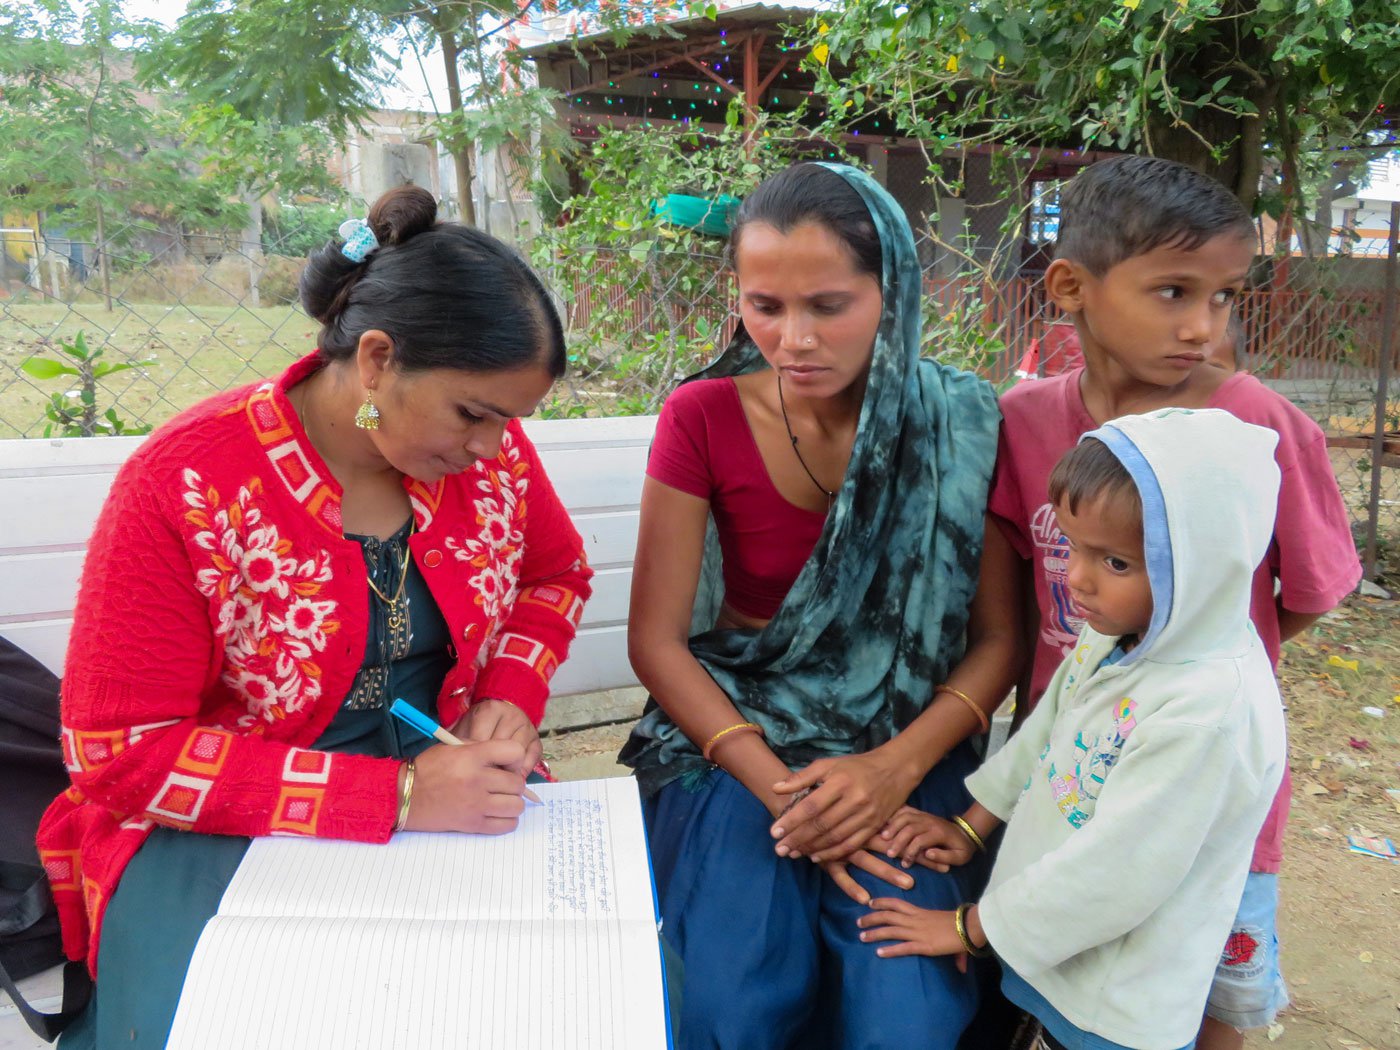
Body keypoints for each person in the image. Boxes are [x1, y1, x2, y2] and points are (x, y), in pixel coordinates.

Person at [37, 186, 594, 1048]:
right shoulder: (188, 482)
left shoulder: (486, 457)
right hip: (226, 821)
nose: (493, 448)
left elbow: (554, 577)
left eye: (510, 422)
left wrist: (509, 695)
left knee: (569, 998)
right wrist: (397, 795)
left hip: (453, 779)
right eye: (475, 414)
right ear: (376, 360)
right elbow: (120, 752)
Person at [618, 162, 1023, 1049]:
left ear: (893, 294)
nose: (793, 339)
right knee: (730, 998)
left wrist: (890, 773)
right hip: (738, 732)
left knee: (906, 1015)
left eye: (828, 306)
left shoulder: (961, 423)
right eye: (764, 306)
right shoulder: (701, 417)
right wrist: (789, 796)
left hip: (903, 734)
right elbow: (657, 642)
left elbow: (999, 639)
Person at [987, 155, 1361, 1047]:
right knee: (1071, 963)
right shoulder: (1024, 422)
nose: (1203, 325)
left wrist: (1198, 650)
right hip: (1069, 773)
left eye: (1223, 296)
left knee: (1208, 990)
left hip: (1203, 785)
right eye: (1173, 292)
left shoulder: (1256, 426)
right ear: (1071, 287)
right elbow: (1013, 600)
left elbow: (1309, 590)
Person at [860, 409, 1289, 1050]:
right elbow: (1045, 734)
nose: (1076, 579)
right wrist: (972, 826)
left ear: (1203, 566)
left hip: (1115, 999)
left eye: (1114, 562)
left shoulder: (1205, 713)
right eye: (1072, 547)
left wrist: (967, 929)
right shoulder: (1122, 632)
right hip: (1055, 950)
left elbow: (1115, 877)